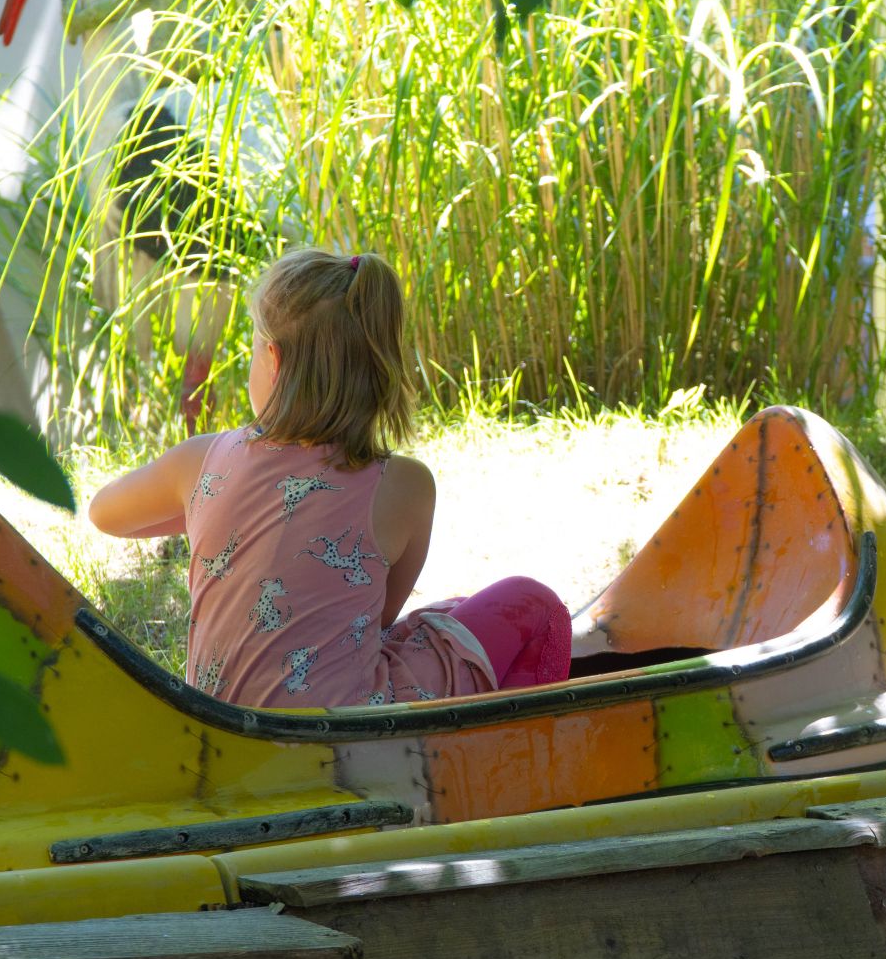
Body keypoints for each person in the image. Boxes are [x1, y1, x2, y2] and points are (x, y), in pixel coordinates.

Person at [87, 248, 572, 707]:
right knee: (534, 603)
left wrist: (202, 509)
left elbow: (103, 513)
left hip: (218, 736)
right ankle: (508, 747)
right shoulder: (406, 486)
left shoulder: (199, 462)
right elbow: (373, 621)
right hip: (348, 741)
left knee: (453, 612)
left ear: (274, 361)